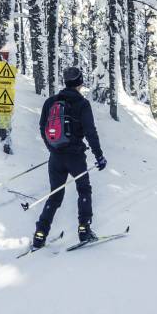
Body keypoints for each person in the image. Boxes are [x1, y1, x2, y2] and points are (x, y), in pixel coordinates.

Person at [33, 66, 107, 249]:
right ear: (80, 82)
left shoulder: (51, 102)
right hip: (75, 157)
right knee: (84, 190)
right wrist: (99, 155)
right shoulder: (82, 104)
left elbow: (42, 127)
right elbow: (90, 132)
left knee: (55, 196)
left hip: (55, 157)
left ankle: (39, 235)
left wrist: (52, 148)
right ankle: (84, 230)